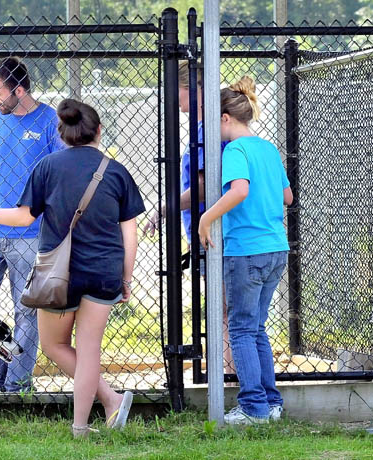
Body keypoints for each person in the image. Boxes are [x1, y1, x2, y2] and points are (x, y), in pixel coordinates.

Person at [0, 99, 144, 438]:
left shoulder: (47, 166)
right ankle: (91, 417)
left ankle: (107, 403)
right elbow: (129, 231)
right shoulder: (116, 171)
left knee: (54, 346)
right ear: (99, 131)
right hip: (103, 271)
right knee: (89, 350)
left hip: (56, 272)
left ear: (61, 133)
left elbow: (23, 217)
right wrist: (126, 277)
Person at [0, 57, 65, 393]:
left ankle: (16, 381)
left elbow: (59, 175)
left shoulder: (50, 121)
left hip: (30, 235)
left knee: (27, 313)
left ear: (19, 90)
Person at [198, 76, 293, 425]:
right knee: (256, 327)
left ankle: (253, 408)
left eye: (212, 120)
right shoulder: (267, 147)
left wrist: (206, 218)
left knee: (239, 328)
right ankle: (271, 403)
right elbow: (287, 197)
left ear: (226, 118)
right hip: (275, 249)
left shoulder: (234, 150)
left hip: (246, 251)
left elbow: (239, 190)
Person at [142, 60, 235, 376]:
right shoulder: (205, 126)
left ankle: (226, 377)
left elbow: (204, 188)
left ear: (193, 89)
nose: (174, 99)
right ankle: (227, 375)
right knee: (223, 310)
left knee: (223, 312)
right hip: (208, 233)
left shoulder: (209, 129)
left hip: (214, 232)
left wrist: (164, 208)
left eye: (176, 91)